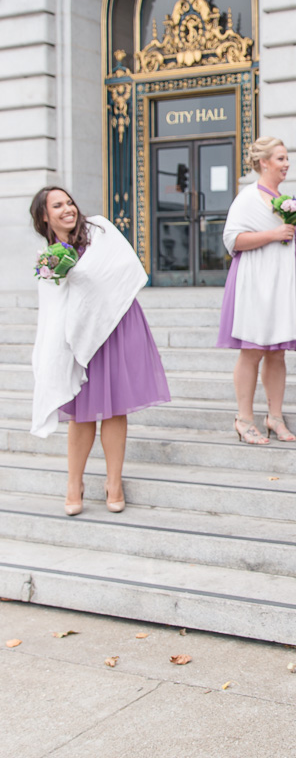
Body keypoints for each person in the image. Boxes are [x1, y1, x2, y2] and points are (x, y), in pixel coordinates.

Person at [29, 186, 170, 516]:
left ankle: (113, 482)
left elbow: (124, 270)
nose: (68, 209)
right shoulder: (49, 258)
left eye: (69, 202)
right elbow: (53, 308)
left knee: (115, 407)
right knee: (81, 414)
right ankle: (74, 484)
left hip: (116, 323)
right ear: (44, 216)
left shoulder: (101, 230)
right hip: (78, 335)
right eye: (58, 205)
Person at [217, 137, 296, 445]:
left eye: (286, 158)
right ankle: (244, 418)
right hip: (255, 280)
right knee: (252, 351)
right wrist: (273, 233)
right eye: (280, 158)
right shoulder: (248, 198)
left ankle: (274, 417)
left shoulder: (288, 199)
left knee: (277, 353)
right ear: (264, 163)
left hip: (283, 281)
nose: (286, 163)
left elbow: (295, 238)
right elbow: (232, 239)